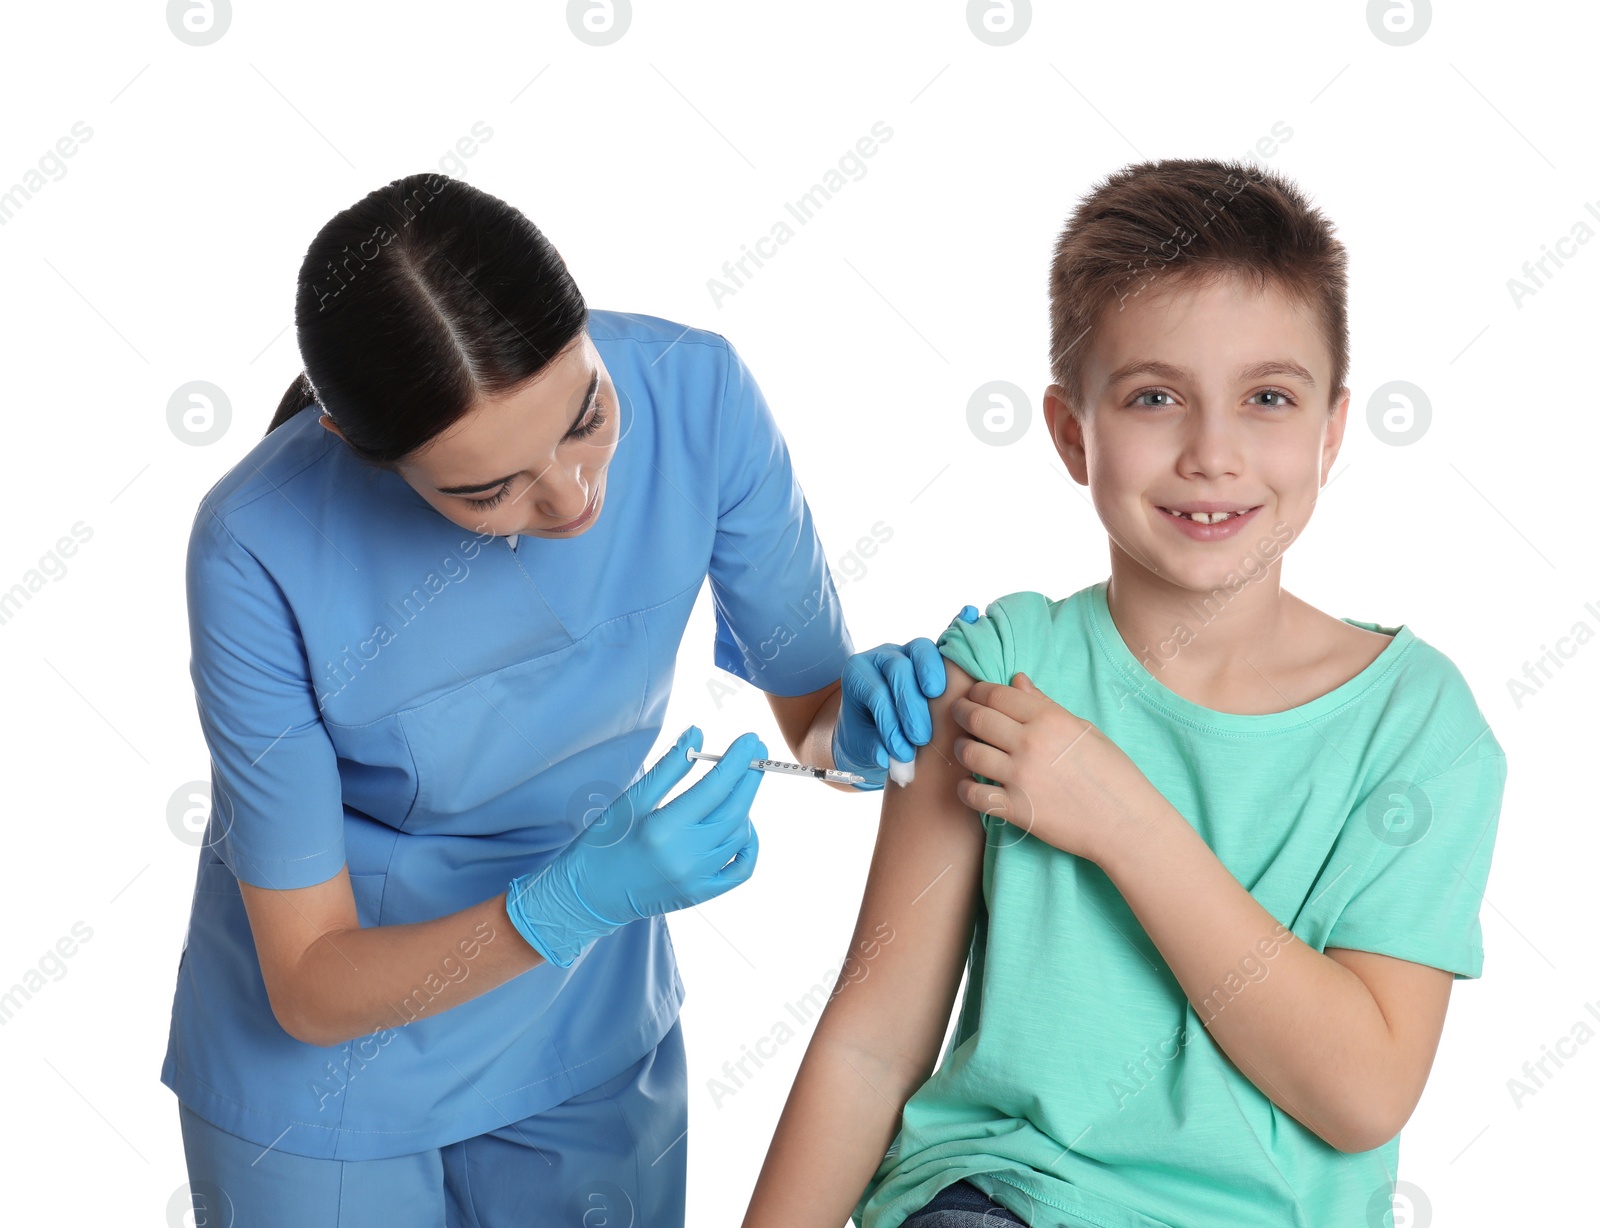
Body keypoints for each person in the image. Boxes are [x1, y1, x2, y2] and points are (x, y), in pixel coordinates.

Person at [161, 170, 966, 1226]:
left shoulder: (697, 395)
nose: (575, 501)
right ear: (357, 450)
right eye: (486, 492)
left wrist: (862, 727)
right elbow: (310, 980)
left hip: (580, 1032)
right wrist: (564, 903)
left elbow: (814, 720)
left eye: (586, 418)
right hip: (326, 1078)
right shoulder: (256, 546)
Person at [740, 158, 1508, 1228]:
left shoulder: (1416, 724)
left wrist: (1119, 819)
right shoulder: (1002, 671)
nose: (1212, 453)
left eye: (1268, 399)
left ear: (1330, 431)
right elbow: (871, 1043)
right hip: (1003, 1197)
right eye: (1155, 397)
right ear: (1070, 432)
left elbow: (1359, 1093)